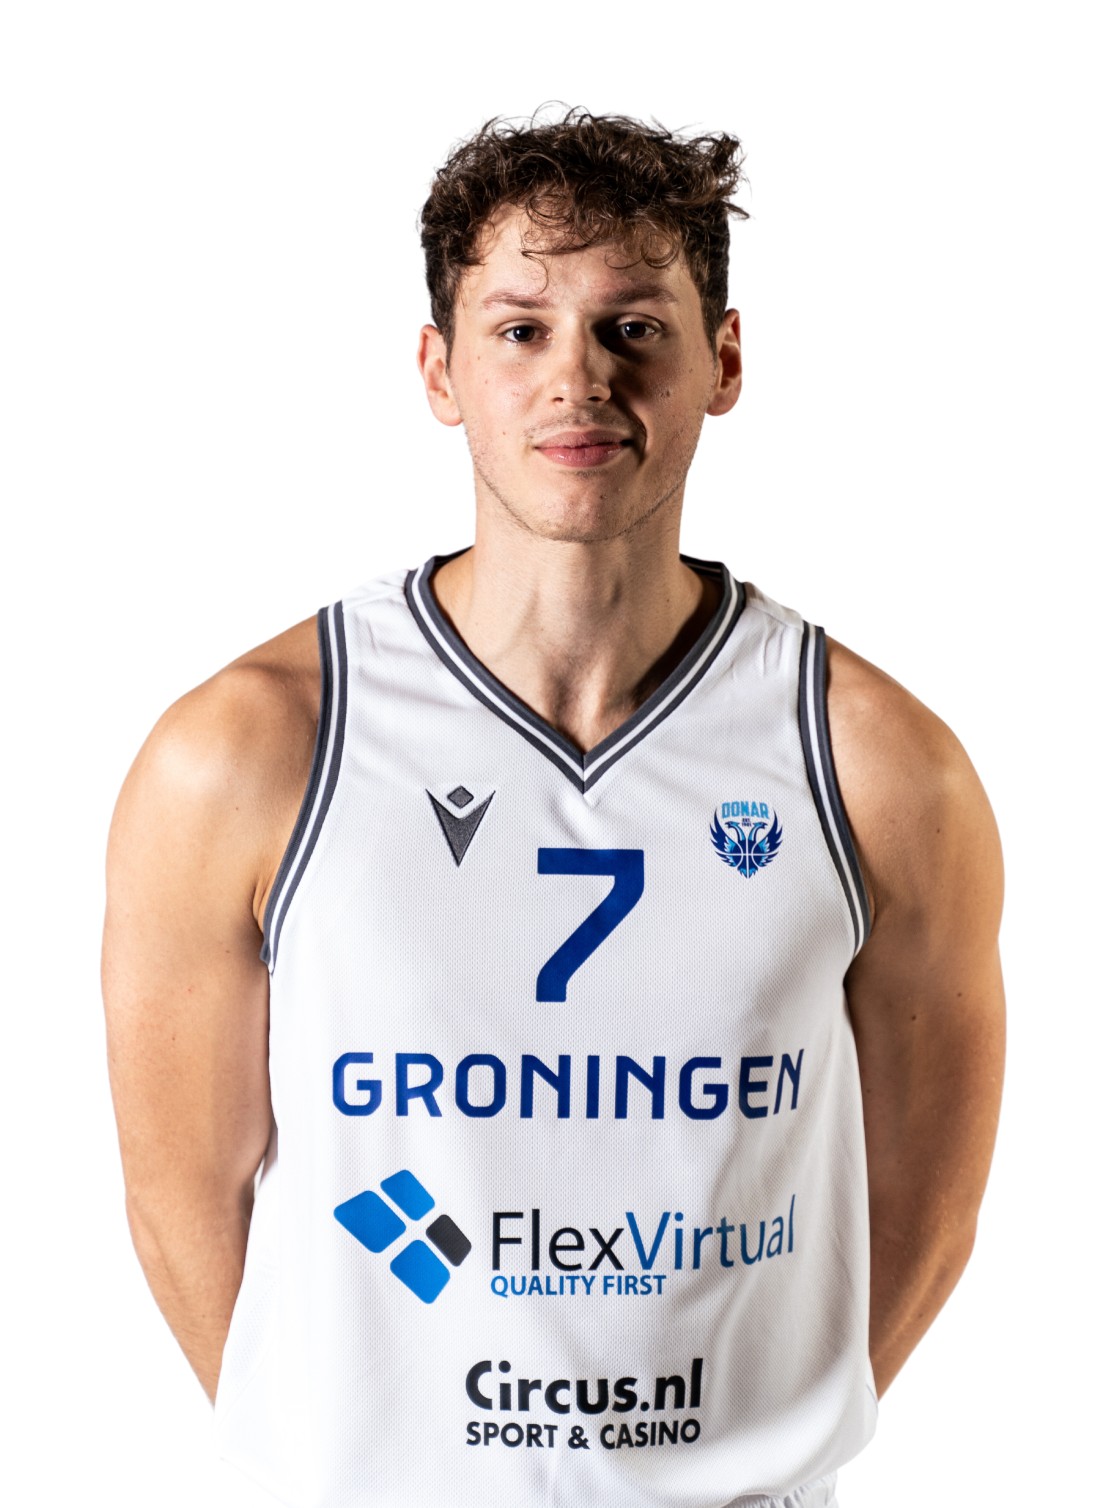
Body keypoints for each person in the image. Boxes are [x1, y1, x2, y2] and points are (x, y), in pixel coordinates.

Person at [102, 109, 1005, 1508]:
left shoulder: (879, 766)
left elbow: (927, 1210)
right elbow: (182, 1202)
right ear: (439, 371)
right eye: (520, 330)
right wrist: (370, 1464)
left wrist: (731, 1465)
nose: (577, 379)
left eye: (633, 327)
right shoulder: (246, 754)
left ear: (725, 361)